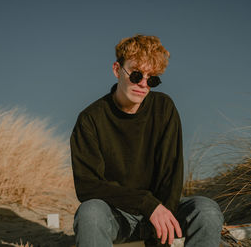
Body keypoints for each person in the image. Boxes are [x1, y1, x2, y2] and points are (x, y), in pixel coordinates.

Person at [70, 34, 223, 247]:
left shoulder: (164, 108)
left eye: (152, 79)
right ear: (117, 70)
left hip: (163, 212)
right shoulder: (90, 119)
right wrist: (146, 204)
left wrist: (159, 229)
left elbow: (171, 175)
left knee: (206, 210)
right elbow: (87, 186)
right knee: (89, 213)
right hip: (117, 216)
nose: (143, 84)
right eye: (136, 75)